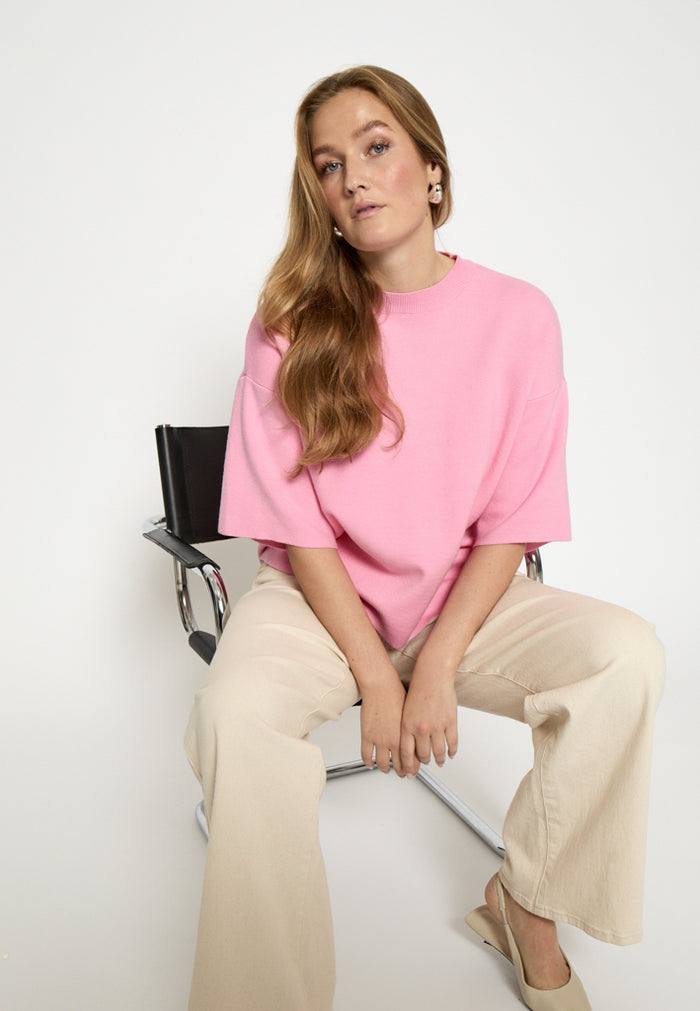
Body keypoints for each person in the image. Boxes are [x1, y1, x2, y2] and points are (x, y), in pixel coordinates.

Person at [184, 65, 664, 1011]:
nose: (354, 176)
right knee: (233, 712)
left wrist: (437, 662)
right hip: (319, 606)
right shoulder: (289, 325)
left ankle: (526, 903)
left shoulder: (519, 317)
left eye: (376, 147)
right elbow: (299, 530)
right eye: (330, 164)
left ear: (432, 168)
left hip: (462, 600)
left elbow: (513, 517)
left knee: (626, 656)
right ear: (320, 198)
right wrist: (377, 676)